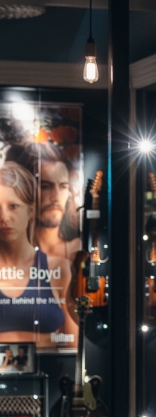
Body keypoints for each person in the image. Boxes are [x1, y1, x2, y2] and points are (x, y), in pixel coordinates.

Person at [0, 161, 77, 346]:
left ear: (30, 210)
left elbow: (73, 343)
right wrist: (46, 339)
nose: (4, 217)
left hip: (51, 372)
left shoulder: (58, 268)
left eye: (13, 206)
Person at [31, 142, 80, 263]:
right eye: (45, 186)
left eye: (63, 186)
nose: (56, 197)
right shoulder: (8, 251)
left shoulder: (77, 248)